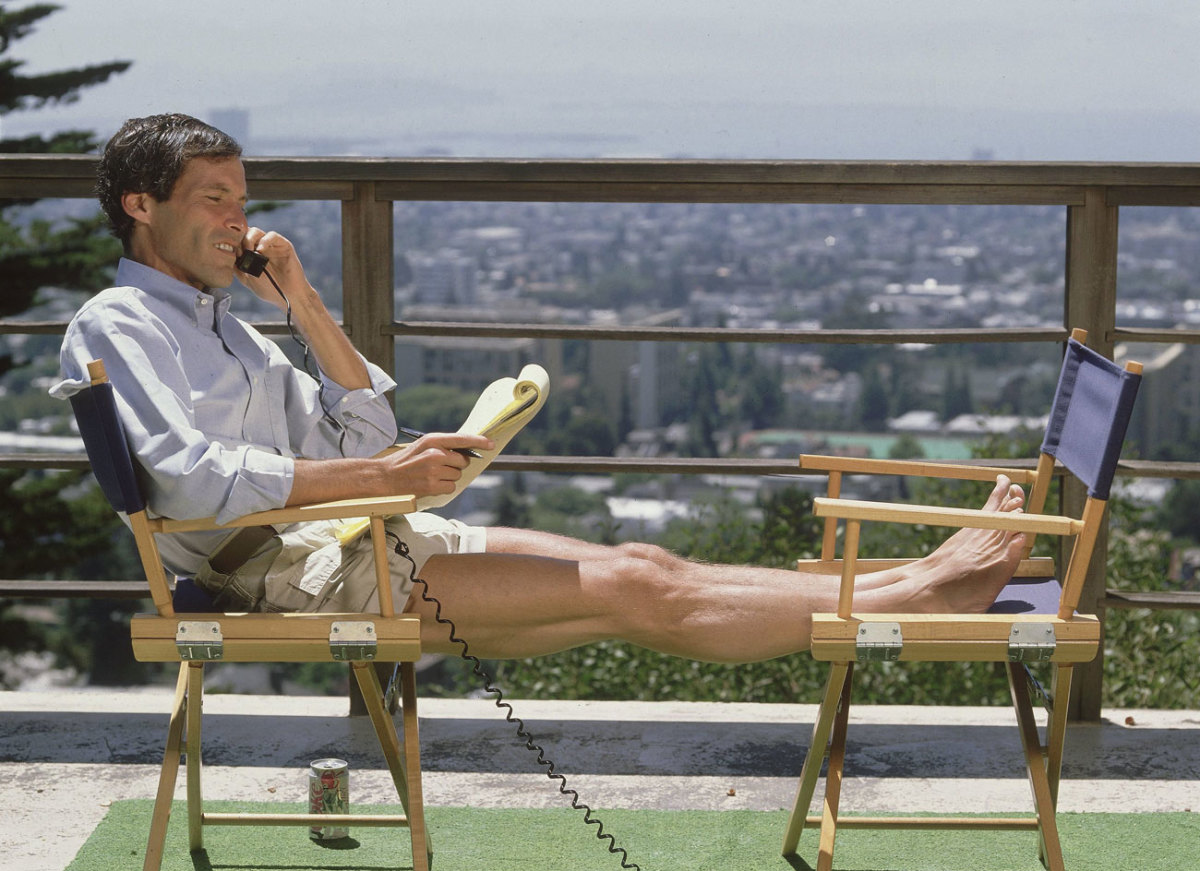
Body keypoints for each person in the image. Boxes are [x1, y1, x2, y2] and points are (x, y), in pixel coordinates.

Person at [54, 113, 1027, 663]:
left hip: (354, 540)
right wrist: (381, 476)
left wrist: (303, 302)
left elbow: (358, 437)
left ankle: (916, 587)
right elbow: (187, 482)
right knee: (643, 589)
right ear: (143, 207)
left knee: (641, 563)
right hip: (298, 574)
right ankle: (928, 593)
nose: (238, 220)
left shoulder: (229, 330)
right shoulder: (123, 325)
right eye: (214, 201)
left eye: (243, 199)